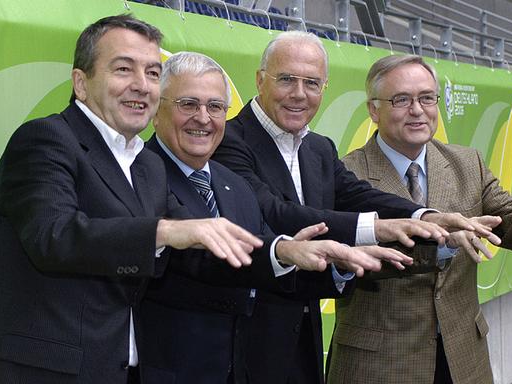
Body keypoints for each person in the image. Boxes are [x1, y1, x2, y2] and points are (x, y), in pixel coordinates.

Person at [0, 15, 267, 384]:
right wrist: (163, 232)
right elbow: (54, 237)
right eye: (124, 69)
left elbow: (198, 244)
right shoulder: (45, 140)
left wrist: (283, 253)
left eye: (153, 73)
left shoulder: (145, 164)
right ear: (81, 83)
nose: (142, 86)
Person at [211, 31, 497, 383]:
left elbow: (359, 195)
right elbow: (275, 213)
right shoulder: (228, 141)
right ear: (259, 79)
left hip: (303, 340)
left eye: (312, 83)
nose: (300, 94)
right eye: (287, 79)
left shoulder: (317, 147)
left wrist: (424, 217)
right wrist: (378, 229)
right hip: (247, 343)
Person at [137, 51, 412, 384]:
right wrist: (285, 251)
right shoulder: (138, 174)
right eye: (188, 104)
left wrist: (340, 260)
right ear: (155, 110)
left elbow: (267, 261)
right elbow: (204, 258)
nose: (203, 118)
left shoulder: (231, 183)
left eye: (215, 107)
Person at [328, 54, 512, 384]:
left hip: (462, 359)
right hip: (379, 364)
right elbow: (350, 259)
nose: (417, 110)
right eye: (401, 99)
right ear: (374, 110)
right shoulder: (346, 174)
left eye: (427, 98)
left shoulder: (465, 162)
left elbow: (507, 219)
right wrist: (440, 244)